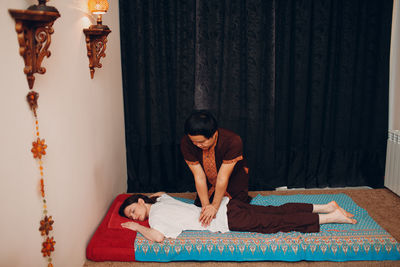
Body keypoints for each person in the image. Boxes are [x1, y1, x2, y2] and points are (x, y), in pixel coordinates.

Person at [119, 192, 357, 243]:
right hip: (228, 206)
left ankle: (331, 216)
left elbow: (158, 237)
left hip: (228, 221)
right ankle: (325, 206)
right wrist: (153, 196)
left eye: (133, 211)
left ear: (141, 201)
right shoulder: (162, 201)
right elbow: (162, 194)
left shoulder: (155, 218)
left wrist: (135, 227)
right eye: (133, 217)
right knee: (276, 211)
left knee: (277, 222)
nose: (136, 217)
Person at [180, 110, 251, 227]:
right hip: (208, 181)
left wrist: (215, 206)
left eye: (202, 142)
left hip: (232, 180)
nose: (198, 145)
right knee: (201, 211)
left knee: (234, 212)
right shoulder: (186, 143)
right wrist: (206, 206)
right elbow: (199, 176)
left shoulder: (233, 141)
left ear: (214, 134)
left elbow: (223, 177)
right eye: (194, 142)